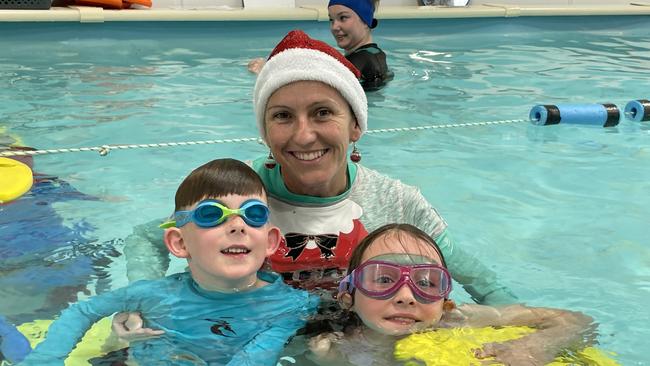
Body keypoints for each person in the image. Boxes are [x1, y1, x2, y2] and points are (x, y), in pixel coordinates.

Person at [116, 29, 515, 339]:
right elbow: (147, 237)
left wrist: (519, 338)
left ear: (356, 125)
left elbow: (484, 285)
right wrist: (141, 299)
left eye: (323, 113)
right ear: (264, 131)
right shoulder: (236, 197)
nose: (303, 136)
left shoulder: (397, 203)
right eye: (283, 116)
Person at [20, 158, 320, 366]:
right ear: (179, 243)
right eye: (211, 214)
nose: (238, 225)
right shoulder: (153, 295)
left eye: (253, 214)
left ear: (270, 241)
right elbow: (82, 310)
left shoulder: (294, 306)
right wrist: (45, 359)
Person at [307, 223, 597, 366]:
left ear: (445, 302)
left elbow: (575, 320)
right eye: (383, 279)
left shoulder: (458, 319)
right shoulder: (331, 348)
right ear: (348, 297)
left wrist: (536, 346)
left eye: (427, 283)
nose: (406, 295)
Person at [248, 0, 392, 91]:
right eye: (331, 20)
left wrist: (266, 72)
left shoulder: (360, 61)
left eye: (343, 18)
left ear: (366, 21)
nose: (335, 26)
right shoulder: (375, 54)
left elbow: (312, 90)